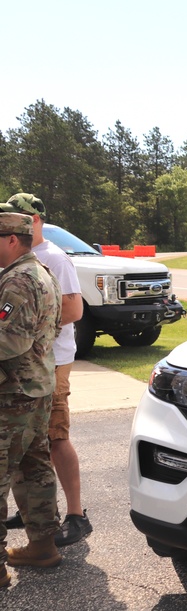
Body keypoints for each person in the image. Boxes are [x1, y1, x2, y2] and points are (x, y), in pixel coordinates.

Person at [1, 194, 91, 545]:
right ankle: (37, 523)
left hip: (45, 365)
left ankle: (75, 513)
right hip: (31, 367)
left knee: (55, 437)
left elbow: (73, 311)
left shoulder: (53, 259)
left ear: (33, 220)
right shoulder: (21, 263)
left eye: (18, 217)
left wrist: (35, 330)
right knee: (33, 451)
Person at [0, 212, 64, 586]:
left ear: (11, 239)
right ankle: (42, 544)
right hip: (34, 389)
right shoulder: (41, 273)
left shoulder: (18, 281)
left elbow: (10, 340)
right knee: (34, 468)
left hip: (12, 396)